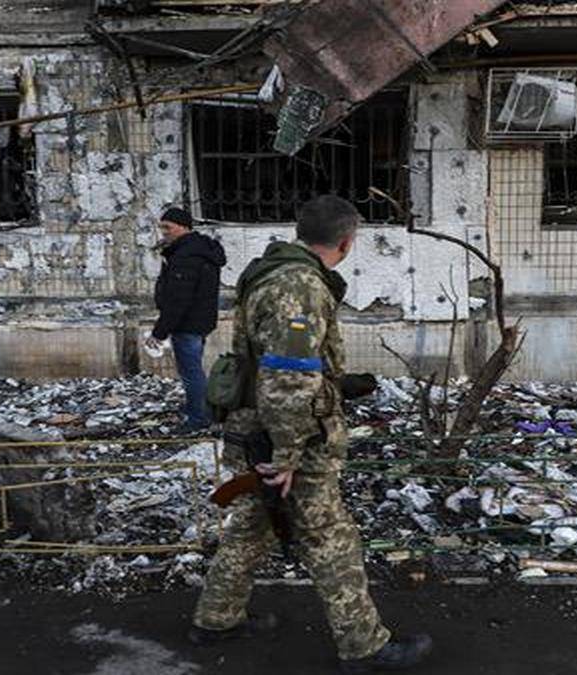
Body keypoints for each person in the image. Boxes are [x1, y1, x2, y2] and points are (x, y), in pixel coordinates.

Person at [188, 195, 432, 672]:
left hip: (251, 424)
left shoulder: (271, 271)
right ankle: (365, 648)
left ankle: (216, 619)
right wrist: (286, 457)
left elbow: (278, 361)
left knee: (249, 528)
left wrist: (337, 381)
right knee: (330, 538)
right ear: (346, 241)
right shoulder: (299, 286)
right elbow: (286, 378)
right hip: (285, 439)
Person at [148, 206, 226, 433]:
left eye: (168, 227)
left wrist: (159, 332)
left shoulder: (186, 256)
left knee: (191, 373)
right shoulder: (200, 249)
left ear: (183, 227)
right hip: (199, 320)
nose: (164, 232)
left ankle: (198, 418)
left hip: (187, 323)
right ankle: (198, 409)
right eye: (162, 227)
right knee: (194, 370)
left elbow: (178, 299)